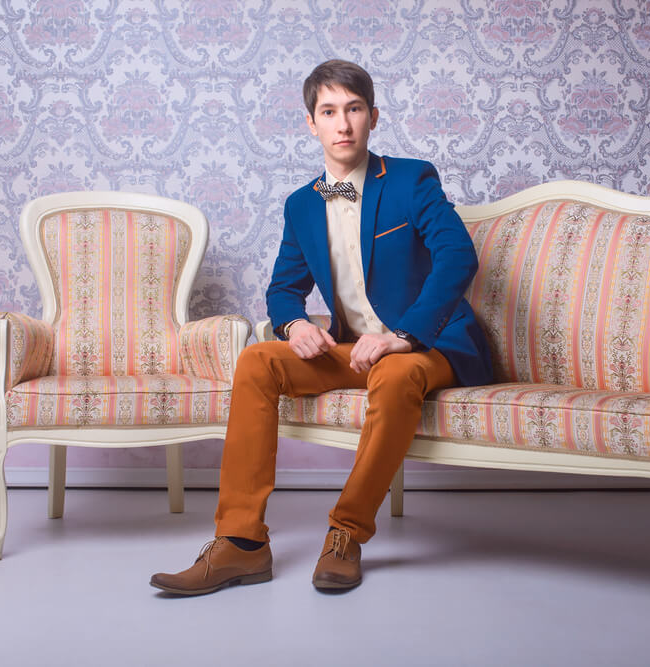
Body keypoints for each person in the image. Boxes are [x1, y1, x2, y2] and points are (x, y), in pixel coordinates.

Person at [149, 59, 493, 595]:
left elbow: (456, 255)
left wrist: (402, 335)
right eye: (329, 111)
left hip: (423, 346)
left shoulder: (410, 179)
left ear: (373, 116)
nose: (343, 124)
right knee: (257, 360)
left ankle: (345, 536)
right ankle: (241, 543)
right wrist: (291, 325)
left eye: (354, 109)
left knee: (397, 375)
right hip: (353, 348)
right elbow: (283, 290)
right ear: (311, 123)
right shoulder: (302, 204)